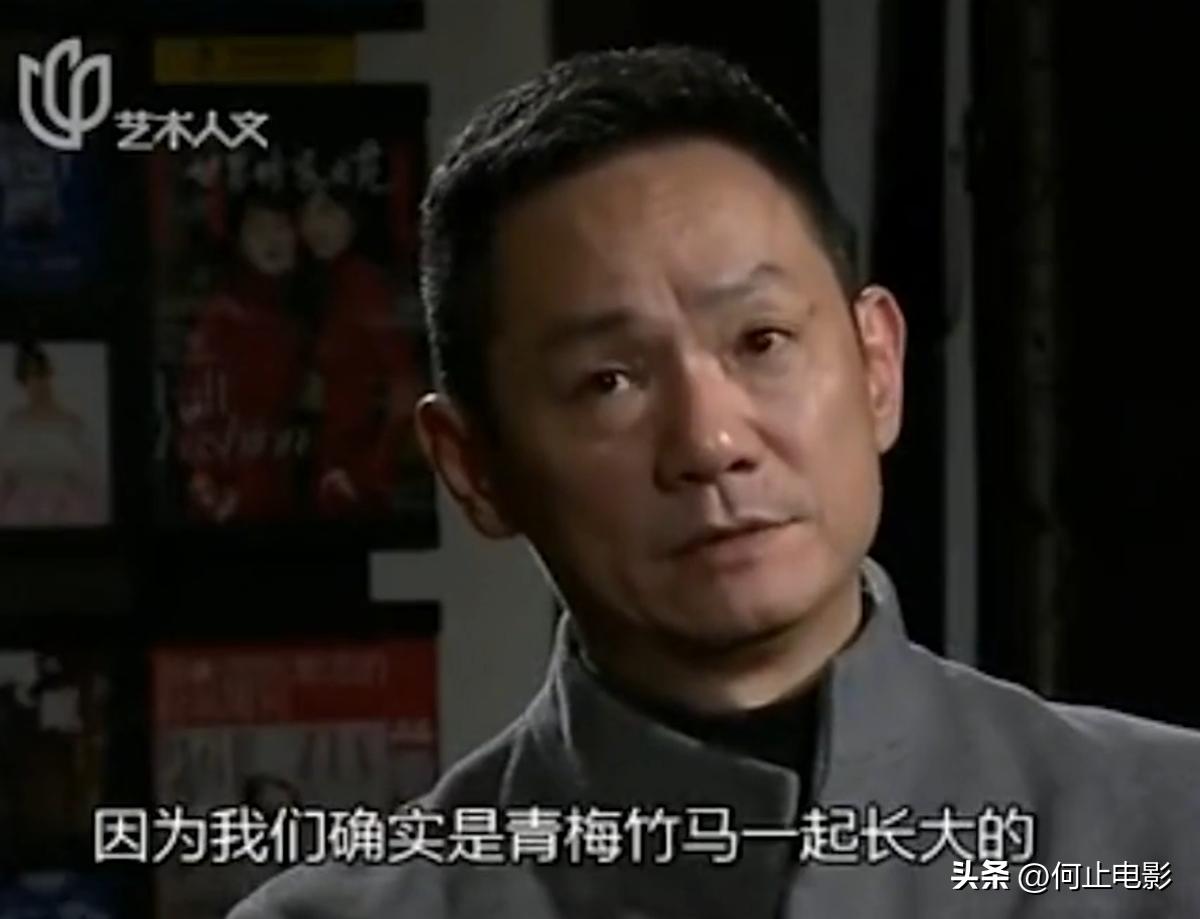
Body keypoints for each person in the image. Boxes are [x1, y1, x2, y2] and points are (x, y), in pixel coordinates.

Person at [227, 46, 1200, 918]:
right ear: (473, 468)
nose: (712, 439)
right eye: (608, 381)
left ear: (878, 366)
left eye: (762, 340)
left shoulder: (1171, 830)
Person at [176, 191, 307, 522]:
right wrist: (221, 498)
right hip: (238, 502)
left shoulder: (304, 309)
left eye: (281, 227)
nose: (271, 239)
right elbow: (200, 420)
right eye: (258, 228)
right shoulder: (223, 318)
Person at [293, 187, 423, 518]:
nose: (315, 225)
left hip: (355, 471)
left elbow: (404, 384)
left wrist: (369, 470)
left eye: (328, 211)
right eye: (307, 213)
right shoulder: (323, 283)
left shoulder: (364, 284)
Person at [0, 343, 103, 526]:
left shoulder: (72, 424)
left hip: (67, 510)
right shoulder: (14, 423)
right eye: (31, 376)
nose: (38, 383)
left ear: (50, 374)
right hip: (20, 512)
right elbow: (6, 476)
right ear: (23, 381)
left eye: (41, 374)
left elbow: (89, 478)